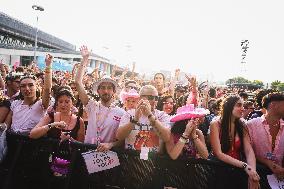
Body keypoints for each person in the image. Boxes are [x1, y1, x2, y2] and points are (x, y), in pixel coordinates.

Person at [75, 45, 124, 151]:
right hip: (88, 153)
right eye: (103, 88)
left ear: (114, 91)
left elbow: (123, 139)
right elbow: (78, 83)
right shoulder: (91, 105)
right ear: (98, 90)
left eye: (109, 88)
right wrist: (85, 59)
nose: (106, 91)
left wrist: (111, 145)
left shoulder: (121, 113)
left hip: (108, 158)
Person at [210, 95, 260, 189]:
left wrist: (252, 173)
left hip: (237, 171)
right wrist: (245, 166)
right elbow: (219, 154)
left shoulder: (242, 124)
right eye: (239, 105)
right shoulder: (215, 124)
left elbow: (248, 150)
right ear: (228, 106)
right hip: (219, 170)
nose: (242, 109)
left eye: (243, 105)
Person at [4, 54, 52, 135]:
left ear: (37, 87)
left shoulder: (42, 104)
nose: (27, 88)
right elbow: (6, 125)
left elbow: (47, 89)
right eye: (23, 86)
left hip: (32, 144)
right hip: (13, 143)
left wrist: (48, 66)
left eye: (30, 85)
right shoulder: (15, 104)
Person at [116, 85, 171, 153]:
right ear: (140, 98)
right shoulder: (129, 114)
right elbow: (119, 136)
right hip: (132, 158)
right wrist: (135, 120)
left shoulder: (162, 115)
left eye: (156, 98)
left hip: (153, 159)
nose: (154, 100)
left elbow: (166, 137)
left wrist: (150, 116)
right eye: (150, 97)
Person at [246, 92, 284, 180]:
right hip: (257, 175)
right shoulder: (251, 125)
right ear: (273, 105)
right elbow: (245, 153)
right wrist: (269, 164)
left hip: (279, 178)